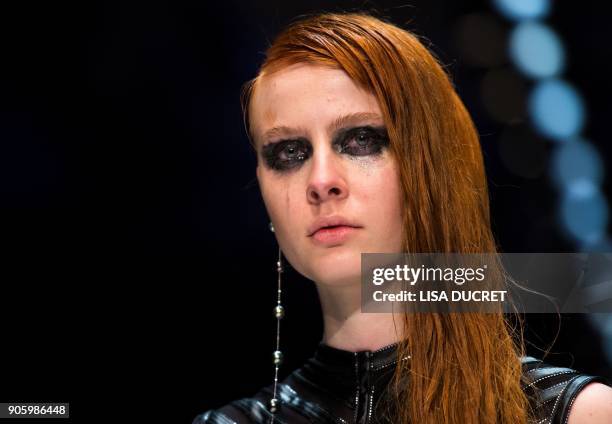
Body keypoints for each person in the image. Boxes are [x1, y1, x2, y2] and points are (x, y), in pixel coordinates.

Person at [193, 13, 612, 424]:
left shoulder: (574, 414)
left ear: (429, 166)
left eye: (361, 140)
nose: (321, 181)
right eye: (289, 152)